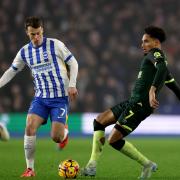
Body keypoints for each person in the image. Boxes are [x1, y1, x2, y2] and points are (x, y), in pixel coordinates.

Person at [81, 26, 180, 179]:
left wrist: (152, 90)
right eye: (142, 41)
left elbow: (161, 68)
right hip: (132, 102)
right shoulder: (156, 63)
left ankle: (147, 164)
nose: (142, 45)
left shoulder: (157, 53)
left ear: (156, 42)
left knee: (113, 139)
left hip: (140, 105)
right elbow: (174, 86)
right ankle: (92, 165)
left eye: (146, 41)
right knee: (99, 121)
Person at [0, 16, 78, 177]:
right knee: (29, 126)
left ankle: (65, 132)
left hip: (59, 98)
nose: (35, 38)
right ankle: (30, 169)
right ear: (27, 33)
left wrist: (72, 84)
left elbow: (73, 63)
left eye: (37, 33)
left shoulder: (55, 45)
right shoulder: (24, 52)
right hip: (41, 98)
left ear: (42, 30)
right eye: (31, 35)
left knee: (56, 137)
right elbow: (11, 71)